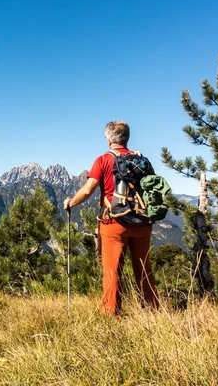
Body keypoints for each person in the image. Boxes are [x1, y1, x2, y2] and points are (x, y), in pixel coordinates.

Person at [63, 120, 159, 315]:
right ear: (127, 138)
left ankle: (111, 314)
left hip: (115, 222)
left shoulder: (103, 160)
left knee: (113, 270)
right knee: (144, 269)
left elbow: (88, 189)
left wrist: (70, 202)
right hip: (142, 221)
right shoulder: (141, 160)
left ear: (108, 140)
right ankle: (153, 311)